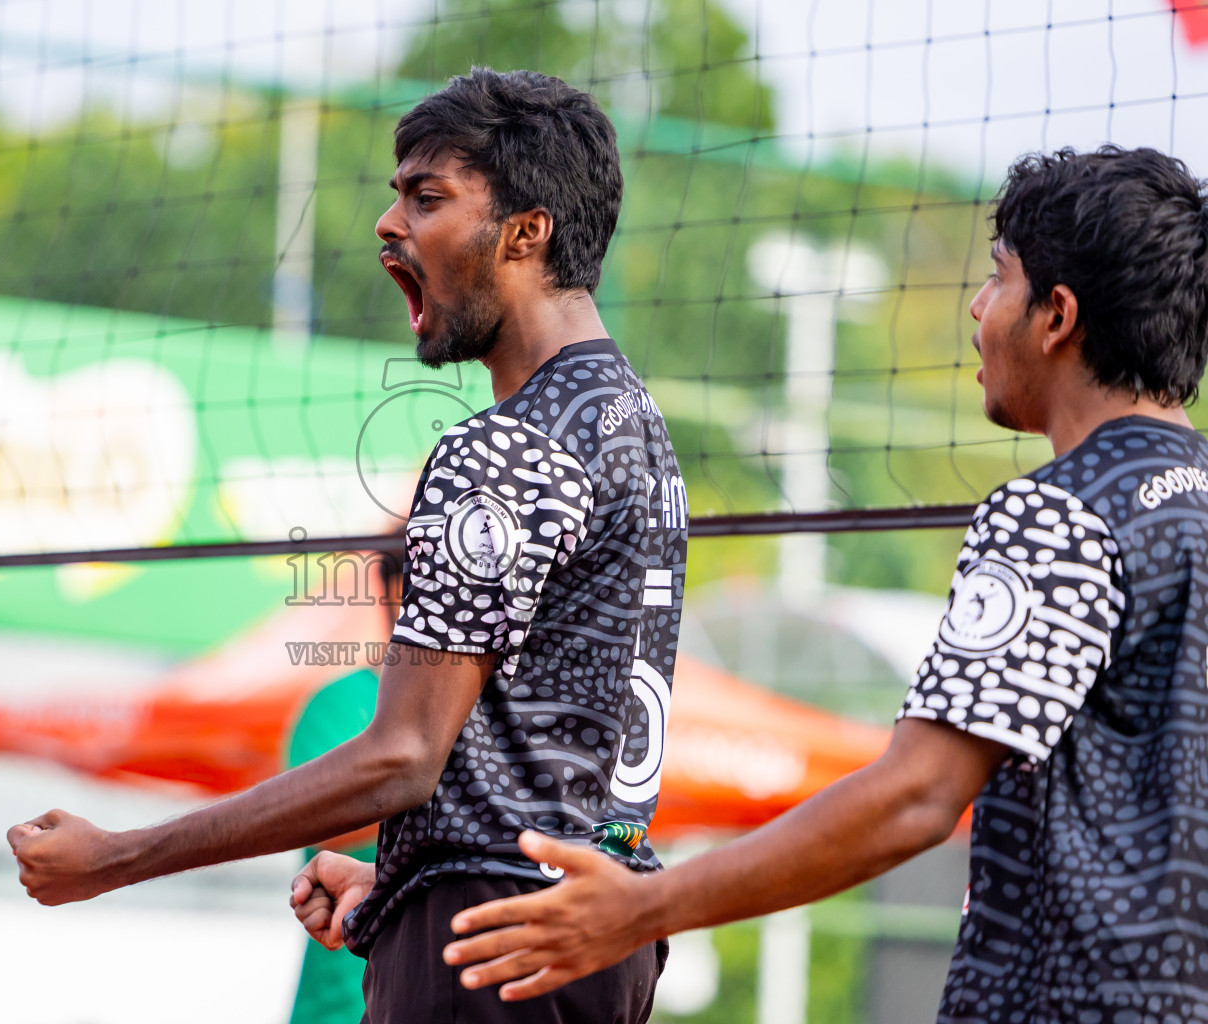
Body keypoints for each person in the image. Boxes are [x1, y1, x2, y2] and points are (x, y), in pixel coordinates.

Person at [377, 145, 1208, 1022]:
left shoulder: (1060, 515)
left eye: (999, 278)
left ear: (1058, 316)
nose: (977, 305)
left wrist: (639, 908)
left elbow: (918, 795)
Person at [8, 67, 689, 1024]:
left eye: (426, 195)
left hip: (486, 948)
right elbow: (545, 755)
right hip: (592, 936)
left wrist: (119, 856)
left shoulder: (502, 446)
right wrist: (400, 883)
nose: (388, 221)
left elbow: (401, 755)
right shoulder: (637, 429)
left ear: (527, 232)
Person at [282, 553, 398, 1024]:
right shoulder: (336, 704)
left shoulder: (499, 708)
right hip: (345, 1004)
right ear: (390, 589)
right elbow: (322, 821)